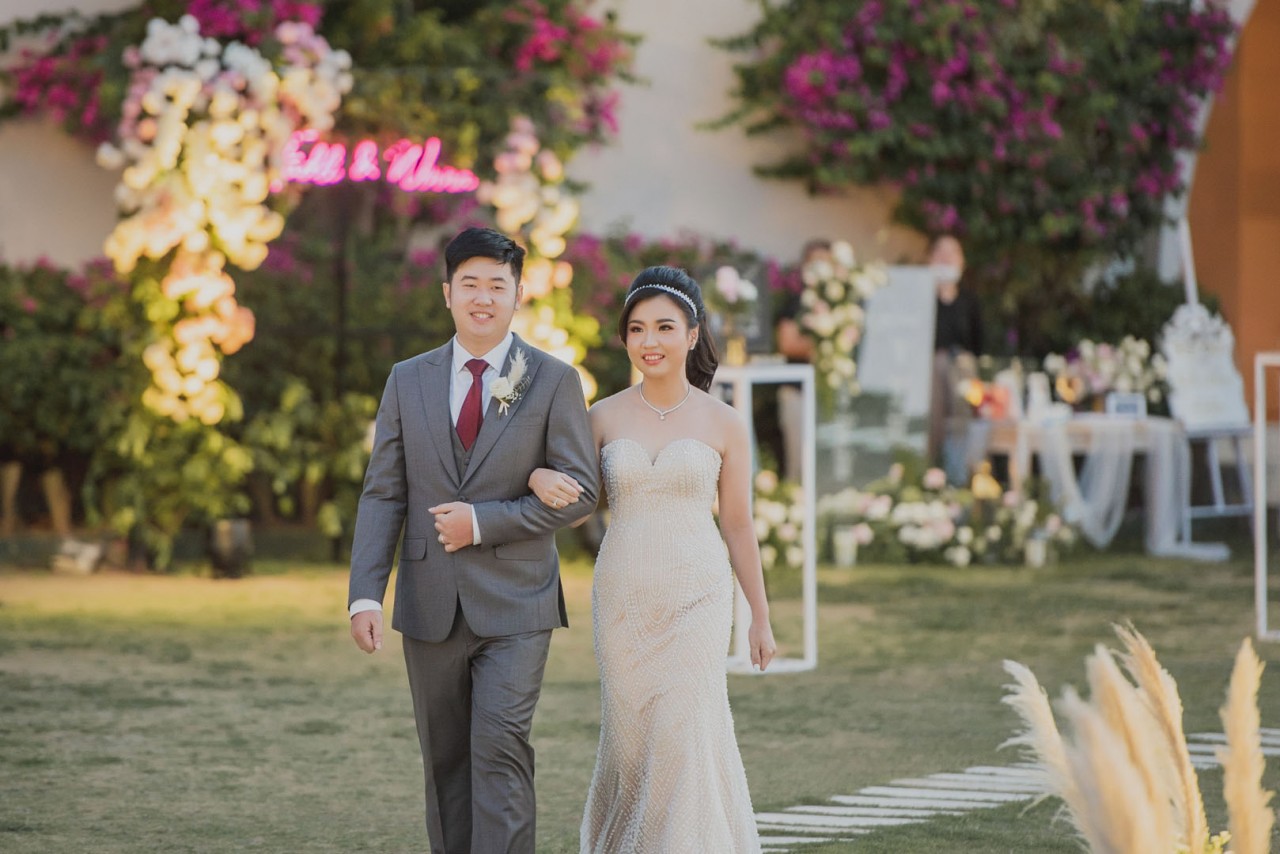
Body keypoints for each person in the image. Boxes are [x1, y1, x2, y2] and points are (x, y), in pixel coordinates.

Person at [347, 227, 600, 854]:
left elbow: (582, 493)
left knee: (500, 750)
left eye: (496, 285)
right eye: (470, 285)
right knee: (445, 763)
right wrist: (365, 594)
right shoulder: (407, 379)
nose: (483, 298)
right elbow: (384, 493)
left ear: (518, 294)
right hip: (429, 600)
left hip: (518, 603)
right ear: (447, 293)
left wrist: (483, 522)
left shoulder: (553, 380)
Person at [527, 265, 776, 852]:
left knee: (683, 734)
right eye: (637, 329)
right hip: (624, 597)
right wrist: (538, 477)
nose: (650, 341)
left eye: (664, 327)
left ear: (692, 335)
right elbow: (578, 510)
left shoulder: (725, 422)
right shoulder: (602, 416)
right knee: (632, 742)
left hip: (699, 597)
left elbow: (738, 524)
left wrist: (760, 618)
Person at [773, 239, 832, 481]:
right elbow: (787, 344)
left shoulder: (841, 302)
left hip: (829, 396)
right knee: (799, 465)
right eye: (815, 262)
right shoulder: (795, 301)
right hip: (798, 393)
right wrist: (827, 344)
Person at [926, 233, 983, 478]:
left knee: (962, 419)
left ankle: (959, 472)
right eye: (940, 252)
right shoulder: (923, 297)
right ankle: (931, 469)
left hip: (962, 373)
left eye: (952, 252)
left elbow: (978, 343)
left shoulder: (969, 300)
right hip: (930, 373)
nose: (946, 258)